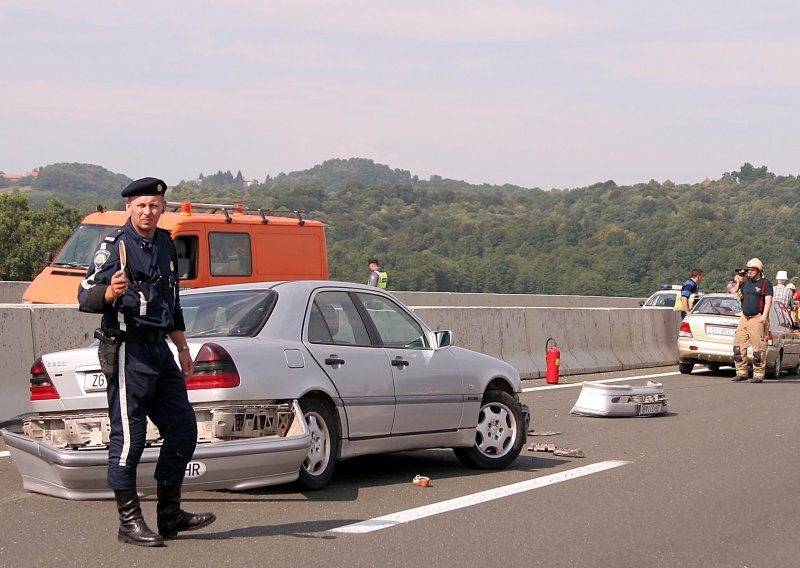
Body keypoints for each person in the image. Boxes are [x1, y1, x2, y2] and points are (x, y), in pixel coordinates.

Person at [78, 177, 215, 547]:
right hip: (128, 350)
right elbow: (85, 295)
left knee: (184, 431)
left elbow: (173, 303)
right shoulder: (115, 246)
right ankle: (129, 522)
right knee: (129, 441)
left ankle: (169, 514)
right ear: (129, 208)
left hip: (161, 350)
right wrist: (110, 291)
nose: (148, 211)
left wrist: (183, 348)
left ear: (163, 208)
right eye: (141, 205)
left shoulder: (167, 245)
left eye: (154, 205)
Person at [729, 258, 773, 383]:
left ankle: (758, 374)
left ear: (759, 270)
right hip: (744, 317)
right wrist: (738, 281)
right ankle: (741, 372)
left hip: (757, 318)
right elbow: (733, 292)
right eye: (749, 270)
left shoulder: (765, 283)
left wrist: (764, 316)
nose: (750, 272)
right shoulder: (745, 282)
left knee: (758, 349)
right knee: (738, 346)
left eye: (752, 270)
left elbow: (768, 301)